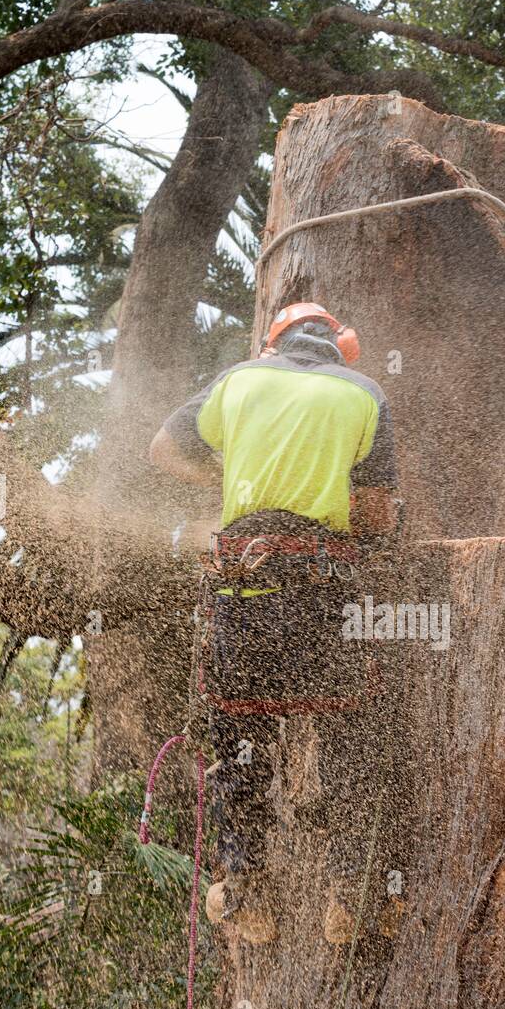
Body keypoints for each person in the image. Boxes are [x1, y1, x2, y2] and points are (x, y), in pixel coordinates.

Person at [150, 302, 400, 942]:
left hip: (247, 588)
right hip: (322, 591)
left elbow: (162, 450)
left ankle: (244, 893)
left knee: (241, 733)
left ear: (273, 343)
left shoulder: (237, 380)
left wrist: (231, 473)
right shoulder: (366, 394)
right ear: (340, 347)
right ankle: (349, 896)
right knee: (349, 727)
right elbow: (375, 515)